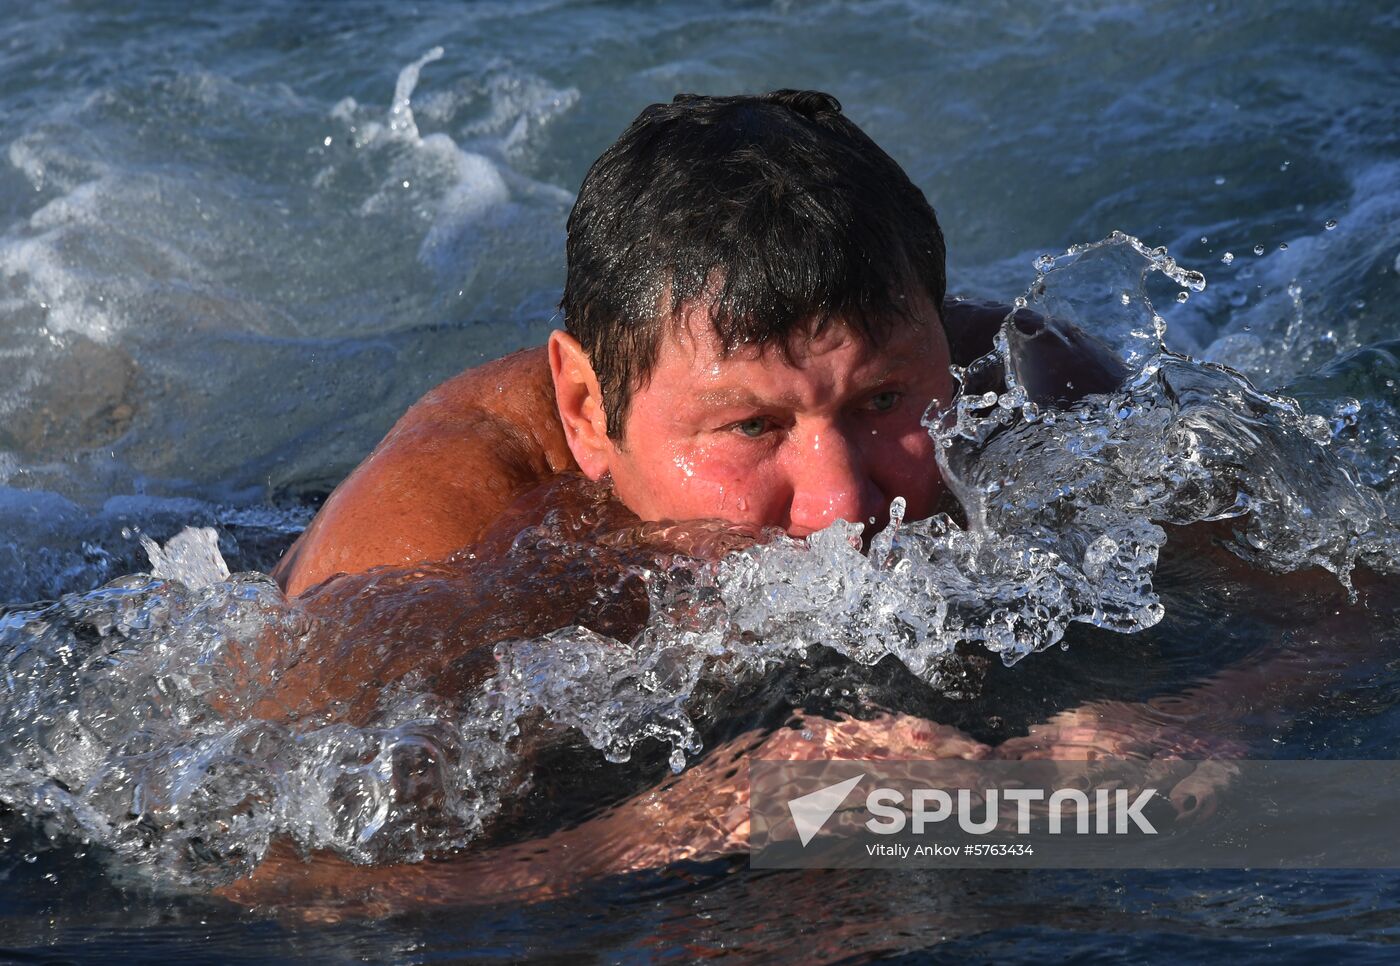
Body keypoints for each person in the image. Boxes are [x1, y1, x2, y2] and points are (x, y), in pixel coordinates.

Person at [223, 90, 1391, 914]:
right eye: (749, 428)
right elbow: (280, 888)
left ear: (946, 342)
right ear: (586, 409)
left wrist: (1217, 711)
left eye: (885, 398)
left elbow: (1363, 596)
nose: (841, 506)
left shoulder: (1031, 383)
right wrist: (675, 824)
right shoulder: (426, 551)